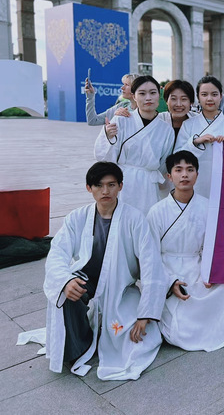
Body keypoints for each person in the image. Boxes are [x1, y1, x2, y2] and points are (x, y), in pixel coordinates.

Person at [43, 162, 166, 380]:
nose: (105, 191)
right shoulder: (77, 217)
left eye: (111, 185)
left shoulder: (135, 219)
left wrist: (146, 313)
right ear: (89, 188)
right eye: (99, 185)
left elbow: (151, 265)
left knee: (131, 337)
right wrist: (65, 280)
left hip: (121, 285)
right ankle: (79, 345)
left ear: (121, 186)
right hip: (87, 279)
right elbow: (57, 252)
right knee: (65, 294)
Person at [147, 151, 224, 352]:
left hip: (197, 266)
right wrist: (170, 282)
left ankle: (218, 325)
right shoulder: (156, 211)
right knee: (180, 325)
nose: (184, 175)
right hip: (168, 270)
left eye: (190, 169)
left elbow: (216, 246)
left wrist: (213, 272)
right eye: (178, 170)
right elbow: (150, 256)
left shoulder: (208, 206)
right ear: (169, 176)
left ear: (197, 175)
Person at [94, 75, 174, 215]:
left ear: (159, 95)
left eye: (153, 93)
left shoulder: (166, 129)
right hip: (124, 183)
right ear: (134, 96)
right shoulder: (121, 120)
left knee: (147, 221)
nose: (148, 98)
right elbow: (103, 157)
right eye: (142, 93)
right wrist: (108, 137)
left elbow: (163, 165)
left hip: (148, 186)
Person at [176, 76, 224, 198]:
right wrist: (195, 142)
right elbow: (177, 156)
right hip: (195, 184)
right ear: (198, 97)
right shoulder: (188, 124)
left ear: (221, 96)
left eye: (214, 94)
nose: (209, 99)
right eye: (204, 94)